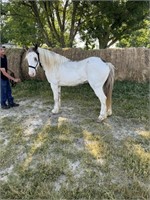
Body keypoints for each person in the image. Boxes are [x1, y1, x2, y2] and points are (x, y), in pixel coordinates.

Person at [0, 45, 21, 109]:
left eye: (3, 49)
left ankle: (11, 103)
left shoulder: (4, 56)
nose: (3, 50)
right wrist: (14, 79)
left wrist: (12, 72)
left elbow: (5, 67)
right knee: (3, 91)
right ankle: (3, 104)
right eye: (1, 49)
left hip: (5, 76)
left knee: (9, 90)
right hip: (1, 77)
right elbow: (3, 72)